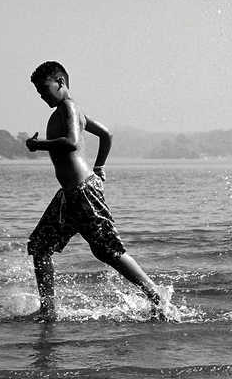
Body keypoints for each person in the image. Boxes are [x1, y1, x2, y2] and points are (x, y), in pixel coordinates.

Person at [25, 60, 163, 321]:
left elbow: (71, 142)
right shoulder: (70, 112)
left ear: (61, 82)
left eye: (45, 89)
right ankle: (48, 310)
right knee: (40, 246)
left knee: (108, 251)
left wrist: (38, 145)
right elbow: (107, 134)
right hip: (69, 195)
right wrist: (99, 166)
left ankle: (156, 296)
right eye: (38, 93)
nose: (42, 96)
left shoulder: (69, 107)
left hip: (83, 192)